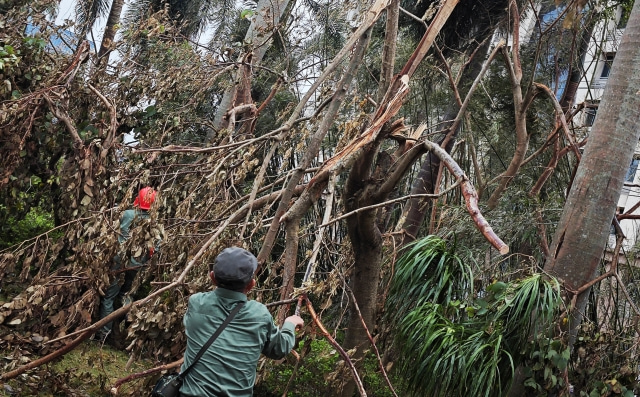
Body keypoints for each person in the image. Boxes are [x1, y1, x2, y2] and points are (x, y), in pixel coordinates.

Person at [179, 246, 304, 397]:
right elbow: (279, 349)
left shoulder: (196, 303)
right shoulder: (259, 314)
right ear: (251, 285)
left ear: (212, 277)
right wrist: (290, 324)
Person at [96, 186, 162, 341]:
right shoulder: (154, 223)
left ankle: (104, 335)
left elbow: (112, 233)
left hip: (119, 262)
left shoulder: (127, 214)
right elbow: (156, 248)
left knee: (109, 297)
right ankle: (130, 333)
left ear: (137, 200)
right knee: (127, 296)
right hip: (137, 265)